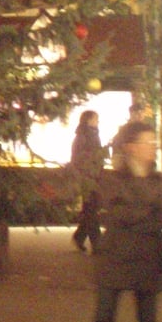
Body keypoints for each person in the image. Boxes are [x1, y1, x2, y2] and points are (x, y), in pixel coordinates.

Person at [77, 121, 162, 322]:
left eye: (155, 142)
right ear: (130, 147)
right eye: (147, 142)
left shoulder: (159, 180)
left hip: (148, 258)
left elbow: (159, 218)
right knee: (104, 321)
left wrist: (139, 211)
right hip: (114, 259)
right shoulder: (112, 179)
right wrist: (147, 211)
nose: (153, 147)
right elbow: (116, 216)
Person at [69, 109, 106, 254]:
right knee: (91, 210)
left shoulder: (92, 135)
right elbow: (80, 158)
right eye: (96, 119)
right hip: (87, 179)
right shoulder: (84, 136)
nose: (98, 121)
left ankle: (79, 237)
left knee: (91, 209)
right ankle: (97, 244)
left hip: (93, 178)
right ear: (88, 120)